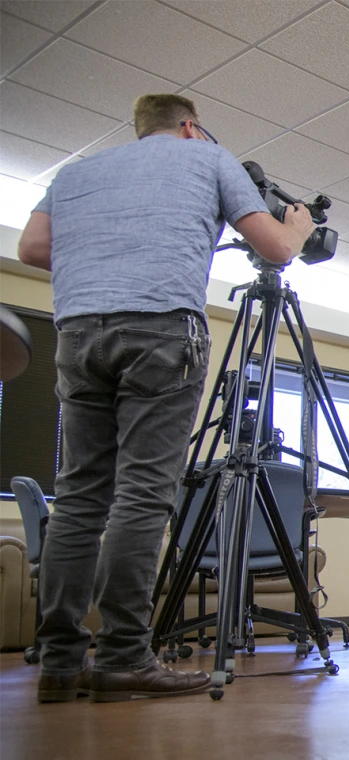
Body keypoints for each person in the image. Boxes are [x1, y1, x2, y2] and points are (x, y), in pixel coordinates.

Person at [18, 93, 316, 703]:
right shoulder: (208, 159)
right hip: (160, 331)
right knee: (143, 494)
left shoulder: (74, 173)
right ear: (189, 127)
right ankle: (125, 658)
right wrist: (300, 224)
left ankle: (58, 662)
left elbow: (33, 251)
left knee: (77, 499)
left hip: (77, 333)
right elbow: (277, 250)